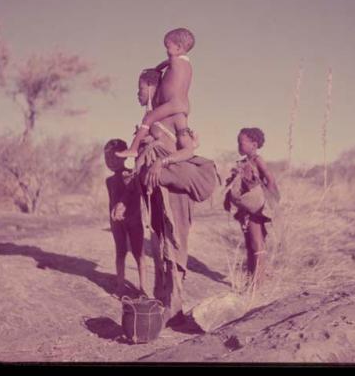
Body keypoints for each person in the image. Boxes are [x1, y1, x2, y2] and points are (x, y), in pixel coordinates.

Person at [112, 67, 218, 326]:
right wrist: (125, 199)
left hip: (174, 191)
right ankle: (162, 301)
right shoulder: (149, 120)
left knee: (175, 245)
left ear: (150, 87)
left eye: (139, 89)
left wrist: (163, 162)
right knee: (159, 245)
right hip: (155, 192)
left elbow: (188, 149)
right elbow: (139, 168)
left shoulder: (176, 116)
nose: (137, 94)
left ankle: (175, 308)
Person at [116, 27, 195, 160]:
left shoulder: (174, 59)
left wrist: (156, 69)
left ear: (178, 48)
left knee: (149, 118)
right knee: (181, 134)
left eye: (168, 46)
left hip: (173, 103)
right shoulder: (186, 65)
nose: (166, 51)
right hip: (184, 105)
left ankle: (133, 148)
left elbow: (166, 62)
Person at [223, 127, 280, 289]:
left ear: (254, 144)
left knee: (257, 243)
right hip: (245, 208)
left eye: (241, 143)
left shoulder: (257, 160)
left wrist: (267, 201)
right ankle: (250, 278)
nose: (238, 146)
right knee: (249, 243)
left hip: (256, 209)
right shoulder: (241, 163)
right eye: (238, 143)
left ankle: (259, 282)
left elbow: (270, 179)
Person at [104, 138, 147, 299]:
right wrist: (113, 216)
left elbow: (135, 199)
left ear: (124, 156)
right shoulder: (108, 181)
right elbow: (112, 202)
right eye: (107, 158)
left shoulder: (133, 176)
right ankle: (120, 286)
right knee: (120, 252)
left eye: (114, 157)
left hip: (135, 221)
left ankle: (143, 288)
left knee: (139, 253)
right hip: (116, 223)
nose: (111, 161)